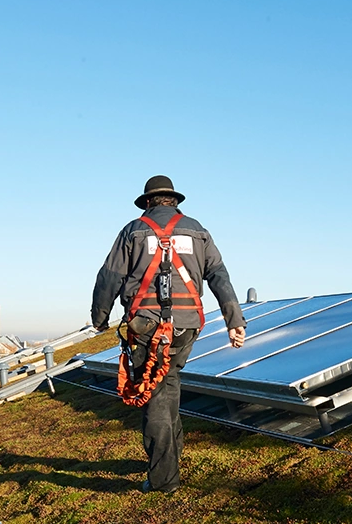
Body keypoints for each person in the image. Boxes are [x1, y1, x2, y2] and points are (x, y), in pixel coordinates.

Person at [91, 175, 246, 493]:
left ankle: (164, 481)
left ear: (147, 202)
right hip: (187, 326)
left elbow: (110, 276)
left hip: (147, 326)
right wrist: (234, 319)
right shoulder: (197, 230)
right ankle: (169, 463)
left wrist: (100, 317)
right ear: (173, 201)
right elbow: (218, 273)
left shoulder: (133, 230)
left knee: (156, 399)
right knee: (168, 386)